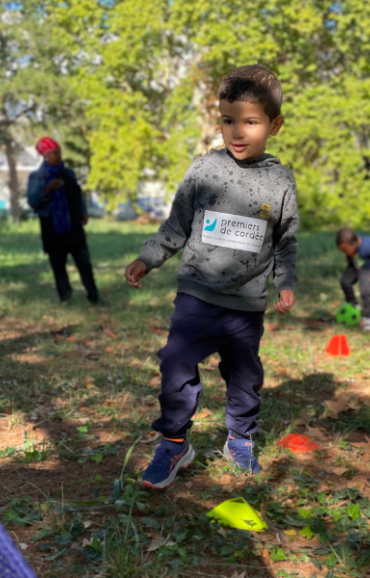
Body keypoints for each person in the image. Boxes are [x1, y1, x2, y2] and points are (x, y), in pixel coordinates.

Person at [126, 65, 299, 489]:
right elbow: (175, 226)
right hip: (196, 296)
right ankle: (173, 441)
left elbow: (286, 241)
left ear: (274, 125)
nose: (237, 132)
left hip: (246, 306)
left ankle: (240, 439)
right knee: (175, 360)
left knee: (244, 375)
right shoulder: (203, 170)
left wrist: (286, 282)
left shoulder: (280, 181)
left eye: (250, 122)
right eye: (227, 120)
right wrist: (148, 259)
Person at [27, 137, 100, 305]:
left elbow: (77, 194)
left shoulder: (68, 173)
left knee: (84, 263)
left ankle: (93, 296)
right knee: (59, 265)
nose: (58, 155)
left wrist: (83, 211)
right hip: (52, 226)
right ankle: (65, 298)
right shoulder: (38, 176)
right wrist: (47, 190)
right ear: (45, 156)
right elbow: (32, 201)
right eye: (54, 153)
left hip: (73, 225)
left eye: (59, 151)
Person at [336, 228, 370, 330]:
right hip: (355, 266)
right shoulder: (350, 242)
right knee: (345, 282)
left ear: (355, 243)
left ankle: (368, 318)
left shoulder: (367, 246)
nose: (345, 253)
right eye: (342, 251)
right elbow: (350, 256)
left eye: (345, 250)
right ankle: (353, 304)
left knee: (365, 291)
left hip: (367, 269)